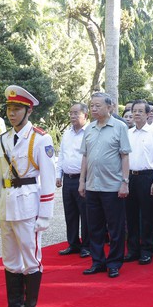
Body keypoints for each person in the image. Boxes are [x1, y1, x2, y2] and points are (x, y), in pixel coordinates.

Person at [0, 85, 56, 307]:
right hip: (7, 203)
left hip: (29, 205)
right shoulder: (3, 139)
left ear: (28, 111)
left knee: (31, 259)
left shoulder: (40, 138)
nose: (12, 113)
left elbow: (48, 177)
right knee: (9, 259)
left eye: (17, 109)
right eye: (9, 108)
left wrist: (45, 215)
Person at [79, 92, 131, 279]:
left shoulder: (120, 127)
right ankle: (98, 262)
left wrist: (125, 183)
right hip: (92, 186)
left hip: (113, 187)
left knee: (115, 228)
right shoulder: (89, 129)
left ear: (110, 107)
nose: (94, 109)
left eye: (98, 105)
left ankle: (114, 263)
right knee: (94, 227)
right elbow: (85, 156)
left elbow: (125, 156)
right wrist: (81, 181)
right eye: (92, 105)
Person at [124, 99, 153, 265]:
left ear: (148, 114)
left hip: (147, 177)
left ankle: (147, 249)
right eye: (135, 111)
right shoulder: (128, 133)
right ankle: (133, 249)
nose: (137, 114)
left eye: (141, 111)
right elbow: (124, 157)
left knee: (146, 216)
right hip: (130, 177)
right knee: (130, 215)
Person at [56, 102, 90, 258]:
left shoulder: (90, 132)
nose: (72, 116)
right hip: (68, 179)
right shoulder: (67, 133)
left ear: (85, 115)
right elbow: (62, 154)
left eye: (76, 113)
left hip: (84, 179)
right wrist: (59, 175)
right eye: (71, 113)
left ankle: (87, 245)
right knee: (70, 213)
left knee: (86, 213)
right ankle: (73, 243)